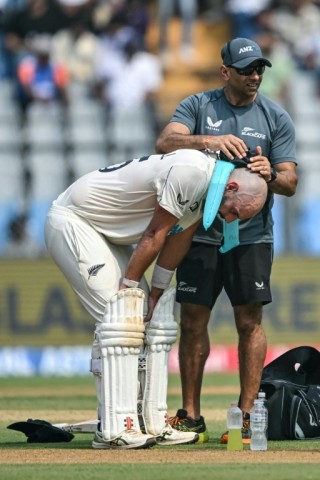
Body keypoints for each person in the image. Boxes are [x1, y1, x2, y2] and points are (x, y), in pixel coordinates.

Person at [44, 148, 268, 450]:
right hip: (76, 221)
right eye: (235, 212)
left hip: (109, 235)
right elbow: (153, 234)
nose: (229, 220)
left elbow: (177, 240)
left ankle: (151, 421)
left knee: (151, 320)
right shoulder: (193, 173)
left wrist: (155, 293)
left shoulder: (208, 190)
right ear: (232, 187)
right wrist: (129, 285)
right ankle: (114, 428)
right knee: (121, 316)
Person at [155, 37, 298, 444]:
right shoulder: (198, 107)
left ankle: (248, 415)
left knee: (249, 322)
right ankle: (191, 416)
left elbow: (290, 181)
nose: (255, 77)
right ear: (225, 72)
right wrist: (209, 142)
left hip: (252, 237)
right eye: (246, 70)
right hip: (198, 235)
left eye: (259, 70)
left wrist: (271, 172)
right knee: (193, 320)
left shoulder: (275, 116)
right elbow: (164, 143)